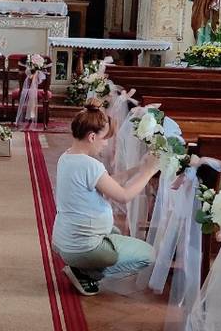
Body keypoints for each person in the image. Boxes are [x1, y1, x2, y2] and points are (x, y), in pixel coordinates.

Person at [52, 101, 160, 296]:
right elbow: (124, 196)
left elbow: (107, 182)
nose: (106, 143)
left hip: (64, 240)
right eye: (104, 138)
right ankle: (87, 274)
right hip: (81, 247)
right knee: (149, 255)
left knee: (115, 231)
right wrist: (149, 171)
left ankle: (81, 267)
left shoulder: (67, 157)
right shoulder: (90, 165)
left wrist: (137, 169)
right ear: (92, 136)